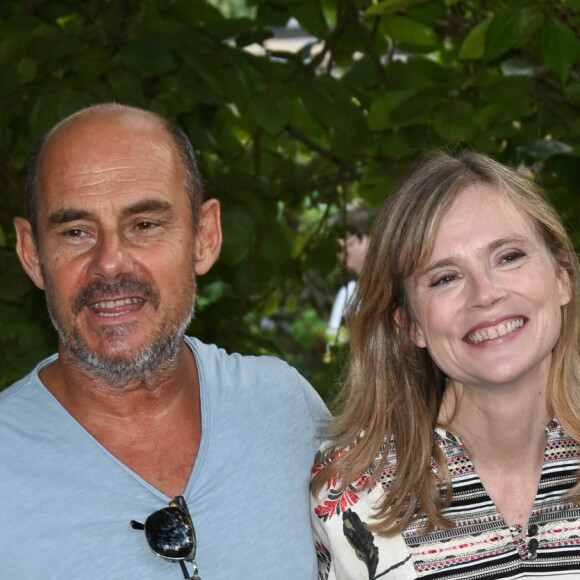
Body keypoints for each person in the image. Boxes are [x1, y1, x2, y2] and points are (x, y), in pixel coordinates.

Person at [0, 103, 329, 579]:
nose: (110, 262)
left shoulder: (284, 408)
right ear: (32, 254)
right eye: (76, 232)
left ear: (204, 236)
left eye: (145, 225)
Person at [311, 150, 580, 579]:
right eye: (445, 278)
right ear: (410, 324)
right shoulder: (354, 488)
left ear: (562, 276)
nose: (485, 293)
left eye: (509, 256)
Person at [326, 205, 370, 350]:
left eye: (348, 238)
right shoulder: (348, 294)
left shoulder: (403, 283)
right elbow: (333, 348)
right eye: (337, 240)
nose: (342, 248)